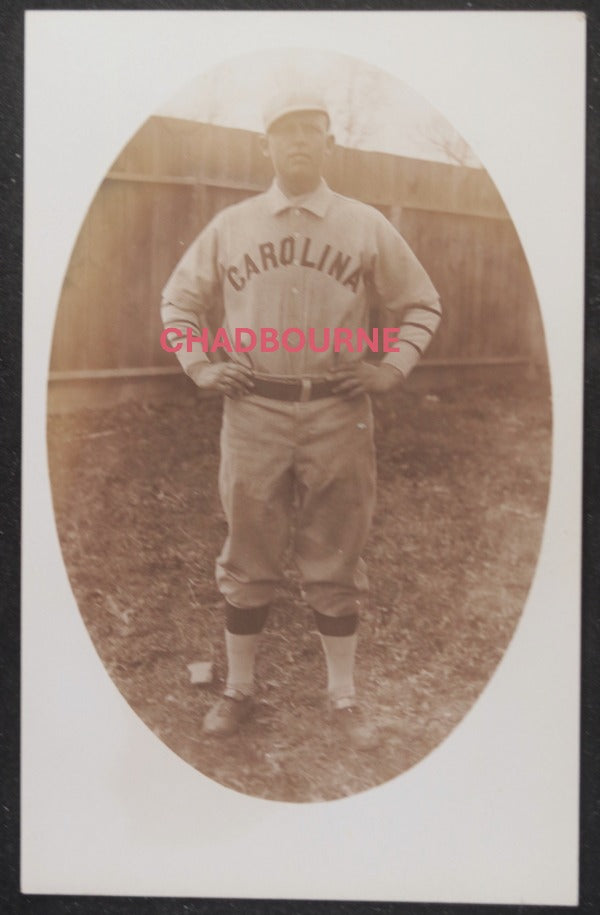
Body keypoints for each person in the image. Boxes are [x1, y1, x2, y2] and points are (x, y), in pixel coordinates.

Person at [160, 87, 442, 749]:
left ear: (329, 142)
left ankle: (343, 696)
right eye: (285, 132)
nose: (298, 142)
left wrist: (391, 367)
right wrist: (199, 364)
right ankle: (239, 688)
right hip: (253, 408)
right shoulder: (232, 225)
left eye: (310, 130)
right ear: (266, 145)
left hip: (338, 411)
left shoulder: (364, 224)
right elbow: (178, 302)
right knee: (248, 550)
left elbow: (422, 303)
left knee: (337, 553)